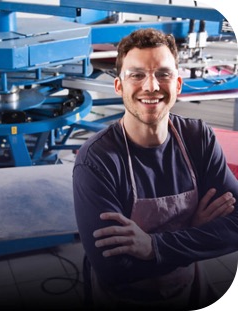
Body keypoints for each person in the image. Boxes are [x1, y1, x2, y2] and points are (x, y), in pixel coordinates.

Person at [72, 28, 238, 310]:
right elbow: (114, 269)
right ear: (119, 86)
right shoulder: (97, 160)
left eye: (163, 73)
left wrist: (153, 247)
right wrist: (195, 231)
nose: (151, 86)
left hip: (190, 288)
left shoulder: (198, 138)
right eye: (136, 74)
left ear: (178, 84)